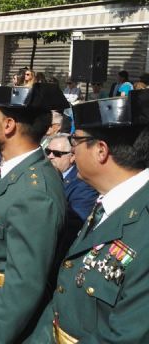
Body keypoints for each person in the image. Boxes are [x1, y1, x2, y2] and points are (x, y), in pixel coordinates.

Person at [31, 89, 149, 343]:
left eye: (76, 141)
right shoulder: (109, 202)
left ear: (101, 151)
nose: (72, 150)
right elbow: (62, 303)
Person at [0, 83, 69, 343]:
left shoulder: (35, 191)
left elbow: (23, 286)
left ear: (9, 125)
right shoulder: (17, 172)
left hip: (2, 325)